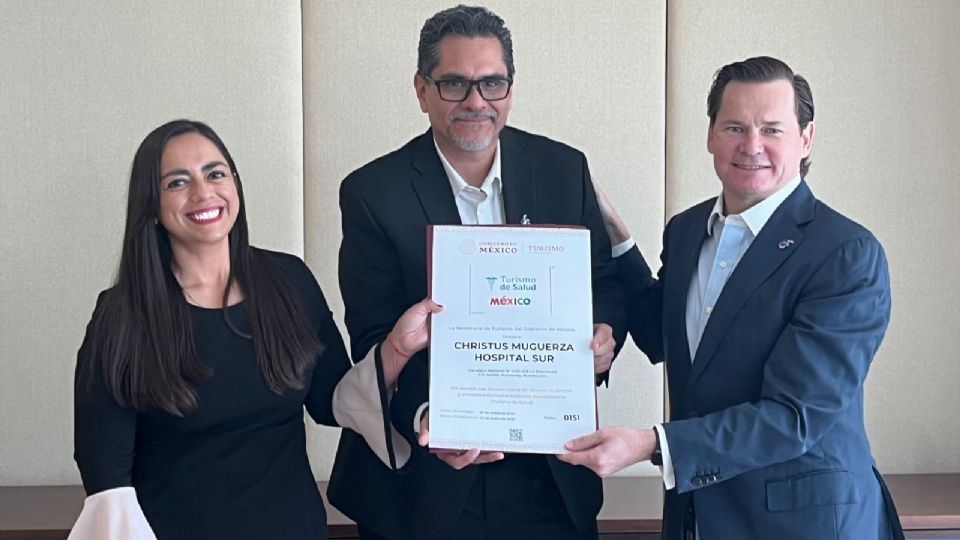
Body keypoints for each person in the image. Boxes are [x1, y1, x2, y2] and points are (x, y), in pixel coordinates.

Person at [559, 56, 905, 539]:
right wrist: (612, 232)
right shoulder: (685, 232)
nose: (751, 146)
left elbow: (793, 417)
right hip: (700, 517)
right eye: (735, 127)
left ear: (806, 138)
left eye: (772, 129)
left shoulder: (845, 254)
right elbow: (663, 334)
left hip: (807, 524)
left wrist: (650, 444)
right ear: (710, 135)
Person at [327, 5, 626, 540]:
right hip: (429, 484)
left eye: (492, 82)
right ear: (421, 90)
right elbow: (373, 336)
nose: (476, 101)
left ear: (510, 87)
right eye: (454, 84)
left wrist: (605, 337)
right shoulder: (374, 192)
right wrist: (425, 418)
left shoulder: (563, 168)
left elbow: (602, 286)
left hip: (551, 476)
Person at [69, 119, 436, 540]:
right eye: (177, 183)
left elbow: (331, 400)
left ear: (235, 185)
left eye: (216, 173)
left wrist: (396, 348)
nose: (203, 193)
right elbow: (106, 473)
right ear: (151, 205)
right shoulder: (122, 313)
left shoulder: (289, 279)